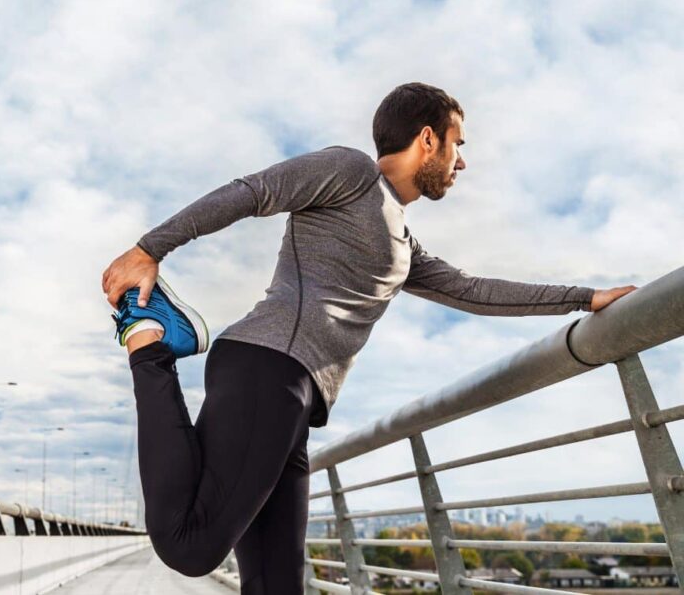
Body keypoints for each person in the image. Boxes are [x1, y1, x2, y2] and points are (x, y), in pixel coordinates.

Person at [100, 82, 636, 594]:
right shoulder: (349, 171)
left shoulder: (403, 241)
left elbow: (473, 291)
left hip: (295, 400)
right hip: (268, 366)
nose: (462, 162)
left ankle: (154, 342)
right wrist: (151, 248)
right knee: (190, 548)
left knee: (277, 585)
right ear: (428, 138)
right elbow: (252, 192)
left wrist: (584, 297)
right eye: (457, 145)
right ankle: (149, 342)